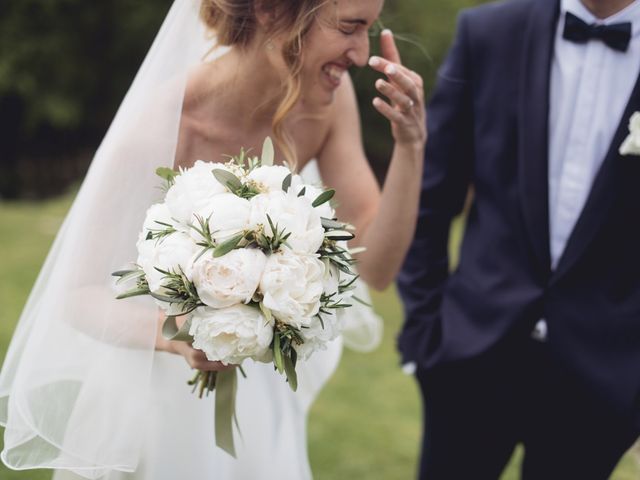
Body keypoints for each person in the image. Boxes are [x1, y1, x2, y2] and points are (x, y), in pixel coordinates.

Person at [0, 0, 426, 479]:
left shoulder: (327, 101)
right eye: (350, 27)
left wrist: (410, 146)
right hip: (153, 393)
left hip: (258, 397)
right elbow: (77, 296)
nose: (359, 53)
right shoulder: (164, 121)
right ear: (270, 11)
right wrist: (177, 335)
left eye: (369, 29)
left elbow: (377, 267)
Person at [398, 0, 640, 478]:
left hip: (604, 375)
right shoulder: (489, 31)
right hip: (471, 353)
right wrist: (425, 331)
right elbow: (429, 193)